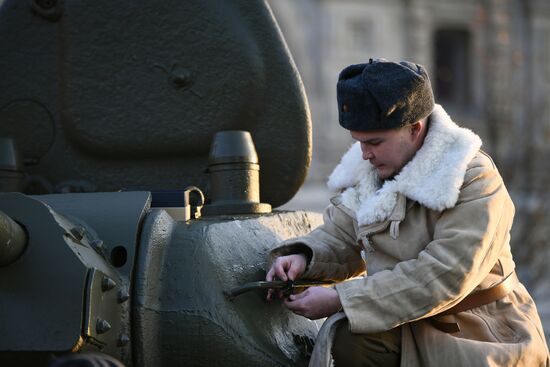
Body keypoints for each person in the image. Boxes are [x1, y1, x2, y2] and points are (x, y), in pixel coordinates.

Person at [266, 58, 549, 367]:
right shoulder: (372, 172)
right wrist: (304, 260)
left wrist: (341, 298)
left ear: (415, 128)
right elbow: (341, 234)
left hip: (481, 334)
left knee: (353, 337)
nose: (365, 154)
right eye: (359, 142)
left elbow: (446, 273)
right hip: (406, 323)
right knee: (351, 337)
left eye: (374, 142)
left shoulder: (473, 178)